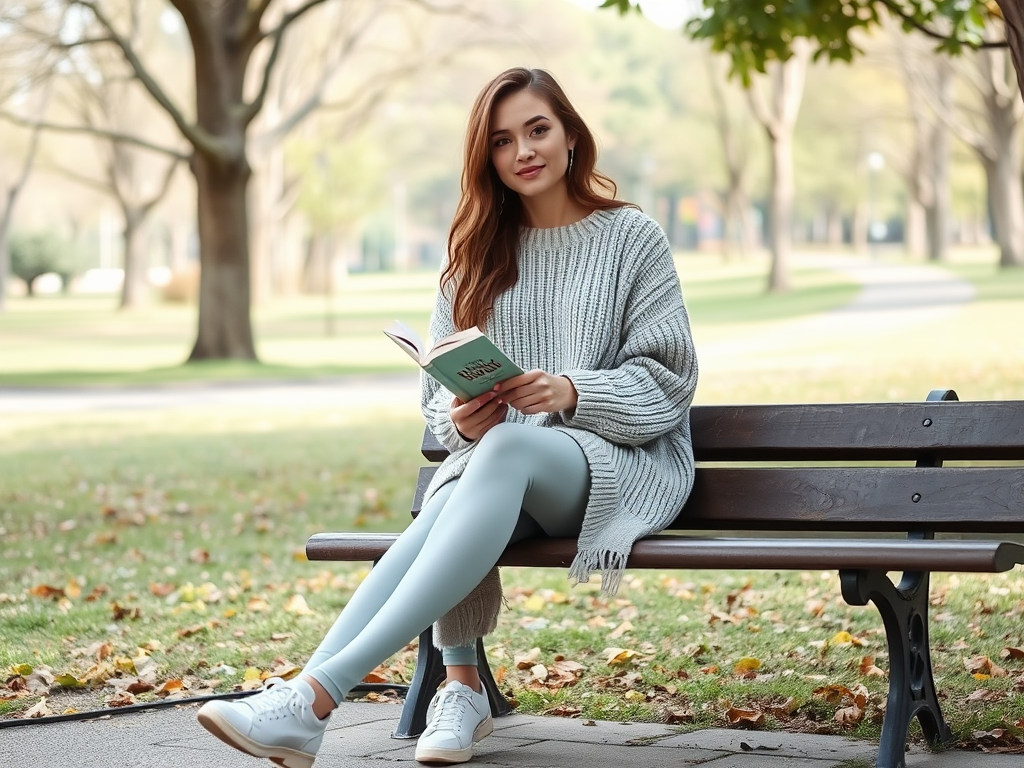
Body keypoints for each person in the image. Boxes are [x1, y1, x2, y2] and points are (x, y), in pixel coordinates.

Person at [195, 66, 698, 768]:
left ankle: (315, 695)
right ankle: (435, 690)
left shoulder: (630, 238)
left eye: (537, 130)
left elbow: (668, 381)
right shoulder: (474, 253)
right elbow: (438, 408)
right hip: (500, 465)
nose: (523, 150)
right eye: (502, 140)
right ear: (485, 157)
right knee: (470, 474)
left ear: (571, 137)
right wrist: (462, 421)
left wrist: (570, 392)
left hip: (614, 463)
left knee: (502, 458)